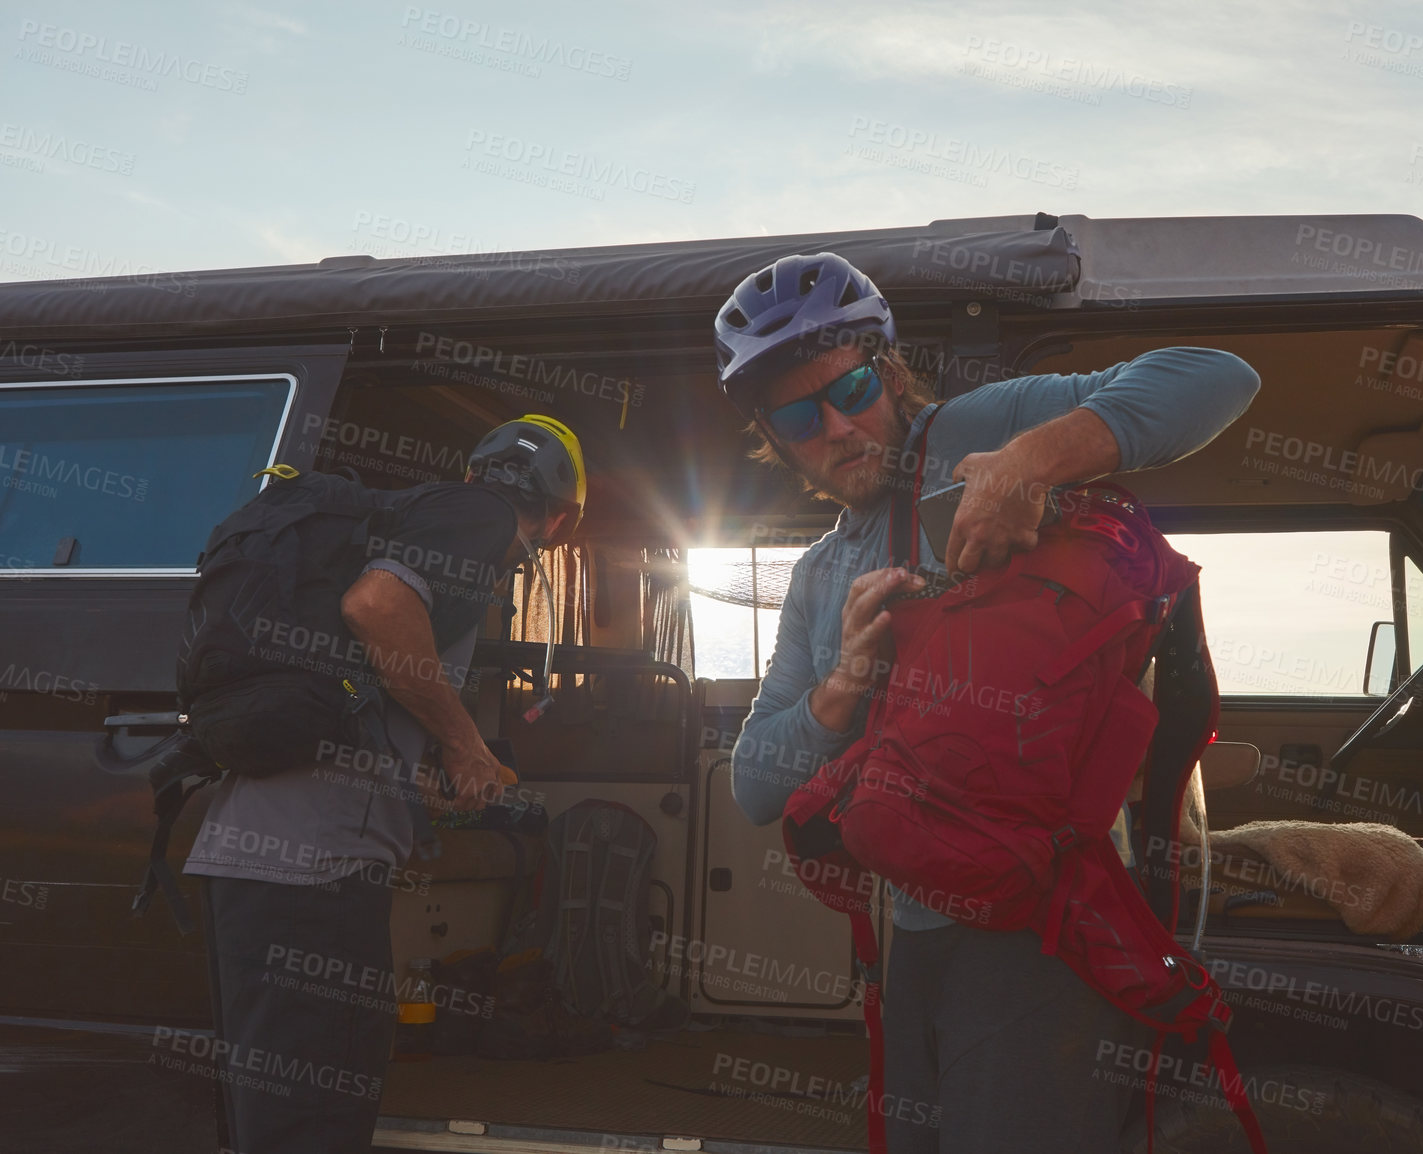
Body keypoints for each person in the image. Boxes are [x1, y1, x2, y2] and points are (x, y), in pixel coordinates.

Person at [717, 253, 1259, 1152]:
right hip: (913, 938)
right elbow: (752, 786)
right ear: (774, 441)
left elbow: (1219, 379)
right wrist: (844, 684)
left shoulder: (970, 430)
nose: (839, 426)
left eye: (851, 387)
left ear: (887, 372)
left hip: (1043, 927)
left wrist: (1032, 461)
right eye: (797, 416)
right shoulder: (817, 576)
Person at [181, 414, 586, 1154]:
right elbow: (375, 606)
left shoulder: (409, 521)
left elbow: (358, 701)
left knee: (276, 1119)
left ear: (472, 470)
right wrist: (465, 745)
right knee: (318, 1119)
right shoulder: (483, 518)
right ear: (560, 518)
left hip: (252, 860)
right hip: (313, 873)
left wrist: (430, 783)